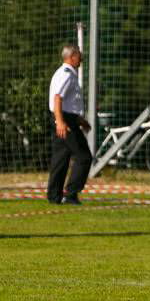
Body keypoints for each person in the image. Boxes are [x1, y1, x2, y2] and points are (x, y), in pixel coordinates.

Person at [47, 44, 92, 205]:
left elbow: (68, 103)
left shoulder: (64, 73)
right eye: (79, 55)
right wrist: (61, 122)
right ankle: (71, 193)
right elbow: (58, 98)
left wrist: (80, 121)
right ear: (72, 57)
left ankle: (54, 196)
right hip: (63, 120)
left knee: (61, 158)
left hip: (64, 117)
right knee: (84, 156)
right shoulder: (67, 74)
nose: (81, 58)